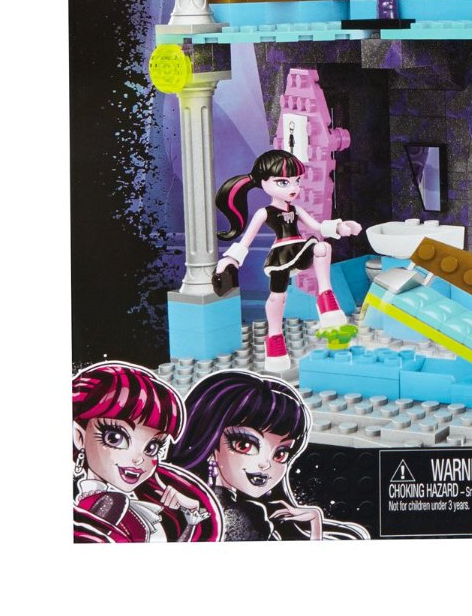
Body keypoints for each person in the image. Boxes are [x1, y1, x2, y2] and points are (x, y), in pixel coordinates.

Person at [171, 371, 367, 540]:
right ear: (209, 443)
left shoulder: (193, 507)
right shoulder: (243, 516)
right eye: (244, 445)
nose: (265, 464)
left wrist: (315, 520)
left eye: (280, 453)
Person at [214, 149, 363, 372]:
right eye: (283, 182)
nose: (293, 188)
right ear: (263, 182)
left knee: (322, 247)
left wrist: (340, 226)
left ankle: (325, 298)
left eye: (297, 181)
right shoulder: (265, 213)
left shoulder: (296, 209)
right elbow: (246, 241)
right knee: (277, 297)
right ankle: (275, 339)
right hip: (280, 257)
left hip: (300, 249)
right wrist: (231, 260)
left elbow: (317, 227)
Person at [72, 362, 222, 543]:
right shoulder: (108, 503)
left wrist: (191, 520)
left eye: (152, 447)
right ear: (79, 437)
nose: (138, 459)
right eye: (115, 438)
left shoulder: (122, 501)